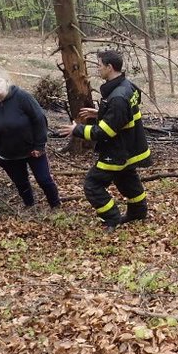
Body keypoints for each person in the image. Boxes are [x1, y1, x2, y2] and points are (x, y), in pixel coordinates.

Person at [62, 50, 151, 231]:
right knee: (127, 179)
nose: (97, 69)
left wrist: (76, 130)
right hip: (130, 147)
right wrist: (101, 112)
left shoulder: (118, 96)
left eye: (99, 65)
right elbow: (124, 113)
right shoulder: (128, 86)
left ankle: (112, 218)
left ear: (110, 67)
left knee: (92, 185)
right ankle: (138, 212)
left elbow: (104, 132)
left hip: (117, 151)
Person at [0, 67, 61, 209]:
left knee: (44, 180)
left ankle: (56, 206)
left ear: (6, 81)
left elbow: (39, 119)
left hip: (32, 150)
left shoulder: (22, 97)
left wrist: (39, 146)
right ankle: (29, 205)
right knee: (21, 182)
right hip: (8, 154)